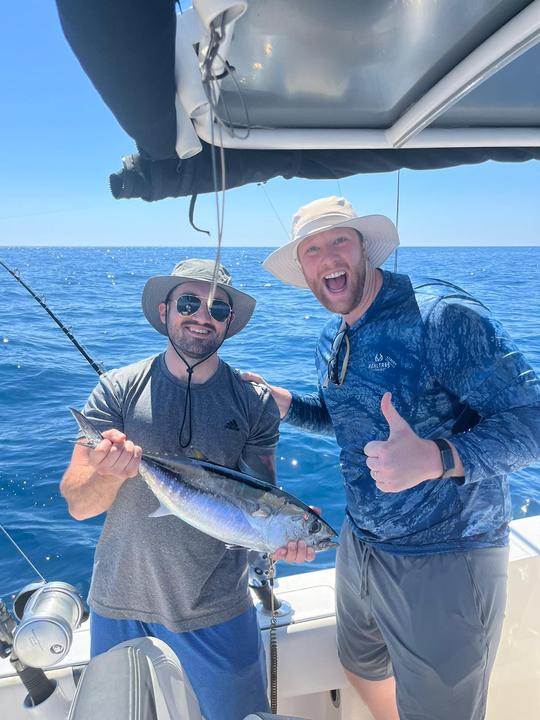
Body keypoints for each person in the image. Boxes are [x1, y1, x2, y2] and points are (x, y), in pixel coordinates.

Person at [243, 196, 540, 720]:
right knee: (359, 665)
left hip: (448, 551)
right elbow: (355, 420)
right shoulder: (333, 336)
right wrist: (293, 408)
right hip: (362, 541)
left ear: (365, 249)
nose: (328, 257)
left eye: (340, 240)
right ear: (303, 267)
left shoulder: (442, 316)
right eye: (312, 249)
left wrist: (438, 456)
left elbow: (533, 422)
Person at [60, 259, 312, 720]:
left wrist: (284, 539)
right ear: (165, 310)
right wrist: (111, 471)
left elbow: (261, 498)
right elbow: (78, 503)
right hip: (119, 603)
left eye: (217, 308)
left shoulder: (252, 403)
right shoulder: (117, 389)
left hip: (217, 606)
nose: (202, 316)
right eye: (190, 302)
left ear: (229, 322)